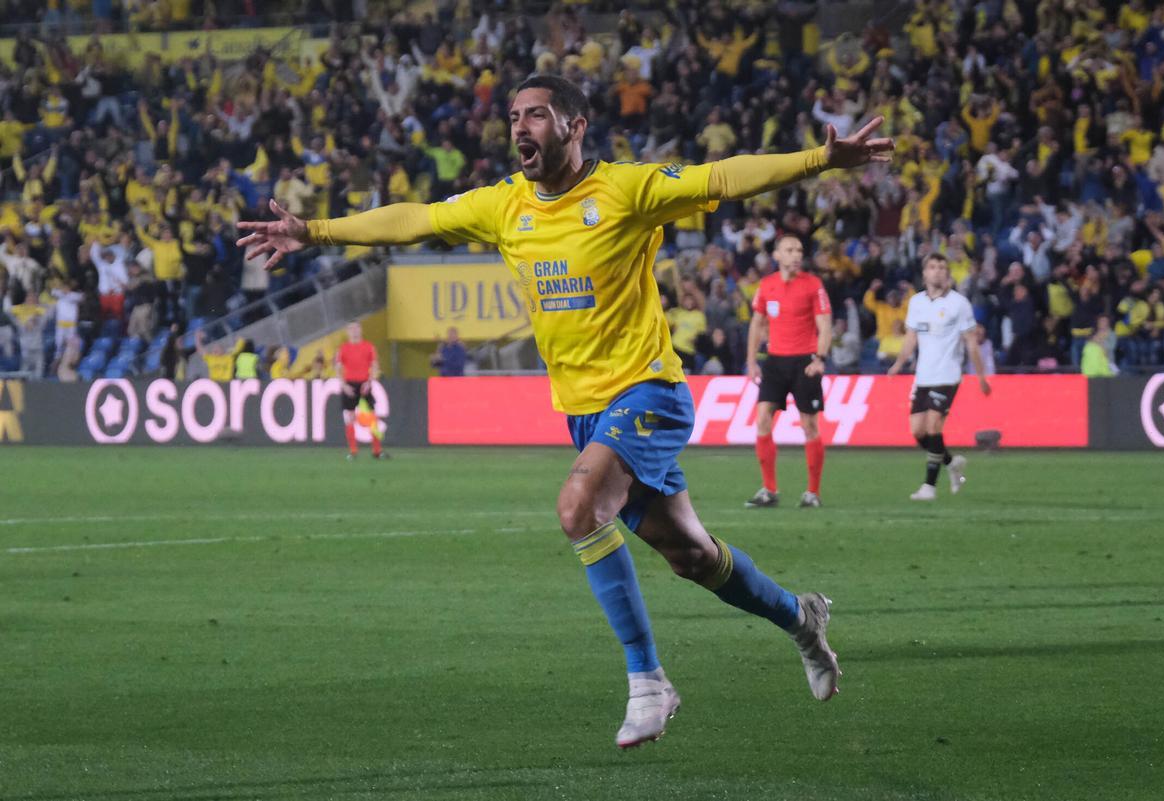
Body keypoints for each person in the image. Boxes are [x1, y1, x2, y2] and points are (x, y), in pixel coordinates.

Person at [238, 75, 892, 748]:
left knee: (579, 506)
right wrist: (312, 230)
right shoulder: (503, 205)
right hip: (585, 412)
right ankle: (801, 617)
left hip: (648, 391)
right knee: (692, 556)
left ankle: (648, 680)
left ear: (575, 126)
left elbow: (721, 177)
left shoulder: (627, 191)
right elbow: (415, 217)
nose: (521, 127)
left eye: (538, 115)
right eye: (514, 116)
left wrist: (819, 159)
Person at [888, 253, 991, 501]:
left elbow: (971, 343)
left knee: (934, 425)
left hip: (948, 374)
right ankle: (952, 462)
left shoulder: (959, 304)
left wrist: (981, 376)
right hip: (923, 376)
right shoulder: (916, 303)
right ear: (924, 273)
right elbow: (911, 338)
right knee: (918, 432)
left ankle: (929, 487)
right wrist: (899, 363)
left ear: (948, 273)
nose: (938, 272)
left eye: (942, 268)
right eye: (932, 267)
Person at [743, 235, 832, 509]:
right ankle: (769, 490)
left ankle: (812, 492)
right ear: (777, 255)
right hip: (774, 361)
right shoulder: (767, 285)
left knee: (809, 425)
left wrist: (820, 357)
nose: (796, 254)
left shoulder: (813, 284)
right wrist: (751, 360)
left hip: (805, 361)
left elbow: (826, 325)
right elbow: (757, 323)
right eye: (790, 250)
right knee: (762, 420)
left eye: (799, 250)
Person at [336, 321, 386, 460]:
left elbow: (375, 365)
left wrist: (369, 382)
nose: (354, 331)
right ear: (347, 331)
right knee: (350, 418)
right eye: (351, 328)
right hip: (350, 385)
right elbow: (338, 368)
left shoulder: (369, 347)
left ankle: (377, 451)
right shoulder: (343, 348)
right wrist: (344, 385)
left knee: (372, 418)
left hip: (364, 384)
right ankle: (353, 451)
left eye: (356, 328)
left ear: (361, 330)